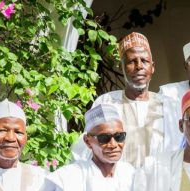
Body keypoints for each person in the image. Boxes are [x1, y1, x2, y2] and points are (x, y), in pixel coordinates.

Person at [72, 32, 181, 167]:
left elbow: (181, 149)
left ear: (152, 67)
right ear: (121, 67)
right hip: (117, 184)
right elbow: (86, 149)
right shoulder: (106, 102)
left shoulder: (169, 105)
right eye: (131, 61)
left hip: (159, 183)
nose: (139, 66)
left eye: (144, 61)